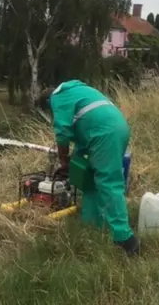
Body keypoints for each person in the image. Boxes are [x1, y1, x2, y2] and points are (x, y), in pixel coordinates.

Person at [35, 79, 139, 256]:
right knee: (88, 176)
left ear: (47, 104)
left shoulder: (57, 98)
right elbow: (85, 124)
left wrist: (63, 159)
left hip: (105, 134)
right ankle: (93, 223)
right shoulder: (75, 90)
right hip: (114, 128)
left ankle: (126, 239)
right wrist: (73, 163)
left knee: (108, 182)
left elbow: (62, 133)